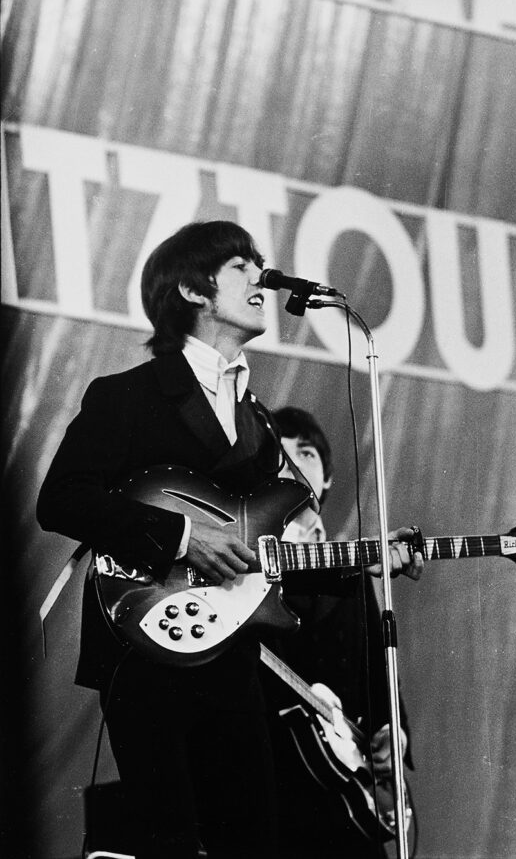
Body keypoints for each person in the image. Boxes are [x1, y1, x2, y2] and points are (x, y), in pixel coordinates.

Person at [37, 220, 422, 859]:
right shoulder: (128, 396)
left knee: (251, 841)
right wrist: (182, 536)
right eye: (241, 266)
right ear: (192, 289)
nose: (260, 277)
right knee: (172, 842)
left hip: (231, 651)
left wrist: (366, 561)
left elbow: (265, 556)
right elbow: (63, 499)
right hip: (146, 639)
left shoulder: (257, 420)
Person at [260, 407, 415, 859]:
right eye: (277, 453)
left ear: (327, 478)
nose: (290, 463)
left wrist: (393, 737)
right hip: (276, 789)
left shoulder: (350, 570)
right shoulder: (243, 564)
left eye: (304, 453)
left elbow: (380, 676)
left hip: (349, 798)